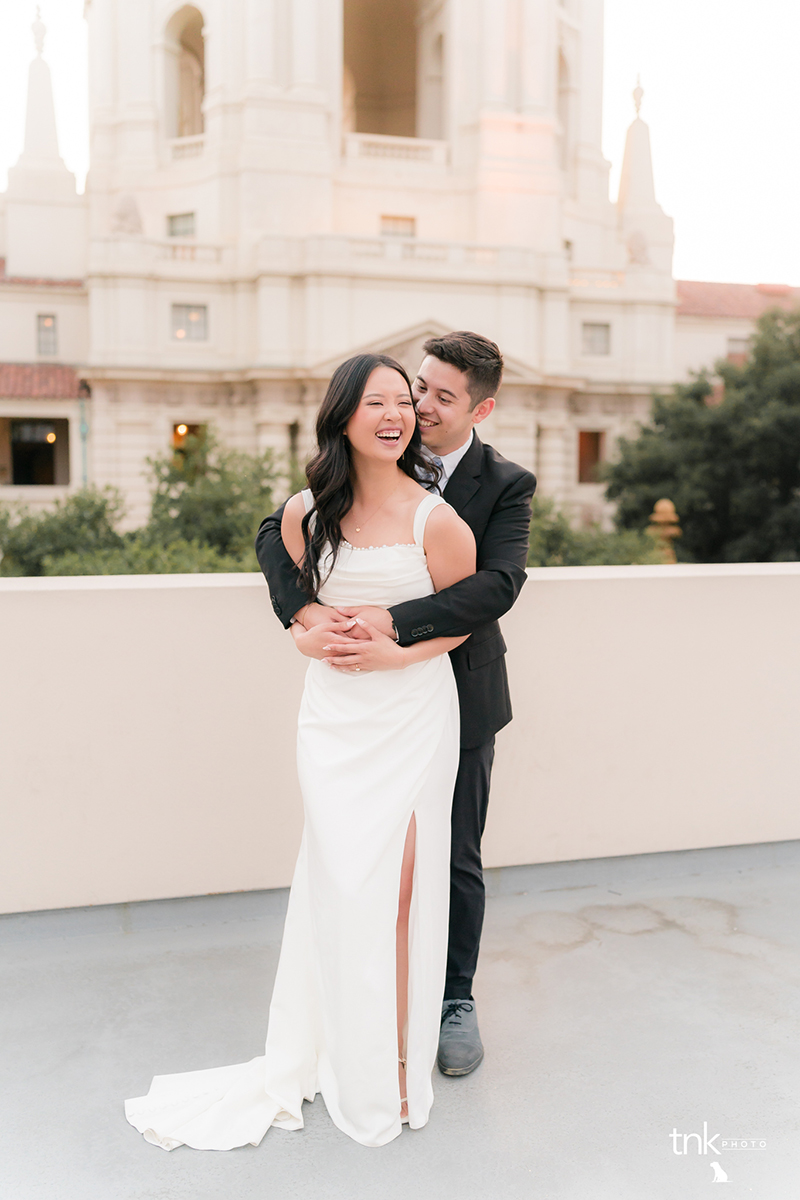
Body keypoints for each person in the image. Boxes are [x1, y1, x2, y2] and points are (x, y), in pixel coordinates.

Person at [125, 353, 476, 1149]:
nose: (396, 415)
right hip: (334, 721)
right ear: (343, 417)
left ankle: (390, 1066)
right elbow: (298, 611)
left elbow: (462, 617)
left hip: (414, 714)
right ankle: (331, 1045)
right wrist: (306, 636)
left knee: (399, 892)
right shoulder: (303, 512)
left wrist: (394, 652)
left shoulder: (437, 520)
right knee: (340, 881)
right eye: (377, 403)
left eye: (404, 403)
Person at [257, 331, 536, 1077]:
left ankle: (452, 1003)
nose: (421, 404)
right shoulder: (373, 453)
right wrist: (305, 619)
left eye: (443, 396)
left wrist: (392, 627)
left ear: (482, 408)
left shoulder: (504, 483)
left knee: (454, 855)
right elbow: (278, 529)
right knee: (354, 855)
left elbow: (495, 588)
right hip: (352, 705)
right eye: (420, 386)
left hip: (454, 693)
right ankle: (361, 1000)